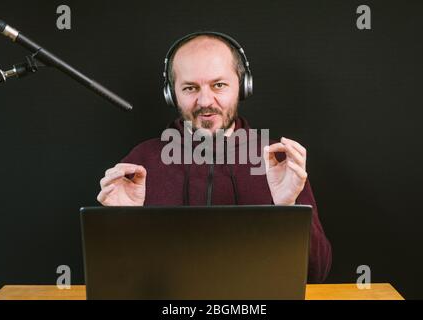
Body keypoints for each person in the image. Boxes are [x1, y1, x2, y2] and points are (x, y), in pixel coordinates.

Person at [97, 31, 332, 283]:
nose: (205, 101)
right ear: (171, 93)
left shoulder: (278, 160)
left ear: (243, 86)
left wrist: (290, 210)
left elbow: (316, 274)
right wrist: (123, 224)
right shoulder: (141, 161)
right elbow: (115, 281)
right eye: (190, 88)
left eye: (219, 85)